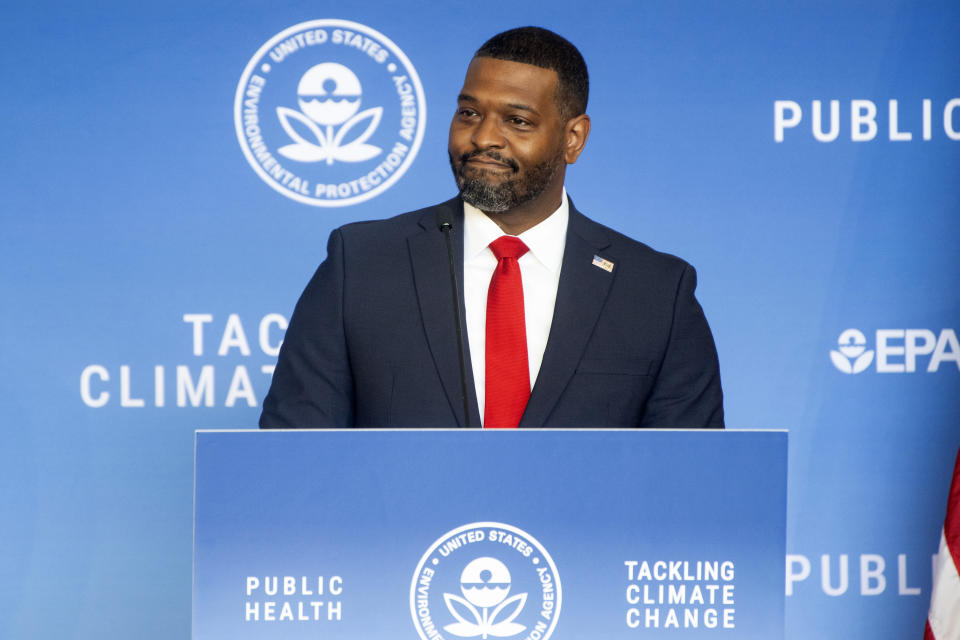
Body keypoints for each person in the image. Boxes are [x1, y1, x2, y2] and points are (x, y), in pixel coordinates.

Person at [260, 26, 723, 429]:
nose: (483, 138)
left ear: (573, 138)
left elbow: (690, 486)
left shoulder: (656, 292)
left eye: (517, 121)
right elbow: (293, 461)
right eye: (469, 113)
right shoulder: (360, 263)